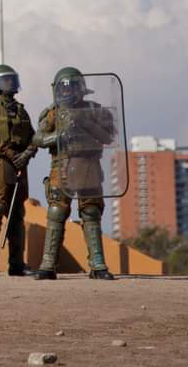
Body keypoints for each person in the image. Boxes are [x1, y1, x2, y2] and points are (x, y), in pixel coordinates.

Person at [33, 66, 117, 280]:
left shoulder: (94, 110)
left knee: (91, 213)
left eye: (70, 87)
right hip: (60, 167)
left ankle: (98, 264)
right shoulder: (52, 113)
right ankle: (48, 264)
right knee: (56, 213)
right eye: (62, 88)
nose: (66, 92)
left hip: (89, 167)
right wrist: (56, 138)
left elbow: (108, 138)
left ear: (81, 88)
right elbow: (38, 138)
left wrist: (85, 121)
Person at [0, 64, 36, 276]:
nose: (10, 83)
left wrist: (27, 154)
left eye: (12, 79)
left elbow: (33, 137)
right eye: (4, 80)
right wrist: (12, 155)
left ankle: (17, 264)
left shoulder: (21, 109)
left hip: (20, 165)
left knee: (17, 214)